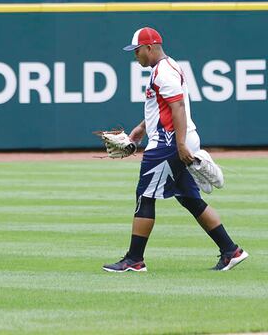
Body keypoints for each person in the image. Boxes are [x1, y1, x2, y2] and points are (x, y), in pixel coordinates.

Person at [103, 27, 248, 272]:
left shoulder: (163, 72)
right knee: (190, 198)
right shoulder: (166, 68)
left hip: (168, 143)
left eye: (137, 51)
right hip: (171, 139)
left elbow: (178, 106)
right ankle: (230, 250)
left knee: (146, 196)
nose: (135, 55)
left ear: (150, 48)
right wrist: (141, 128)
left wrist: (180, 144)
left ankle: (134, 259)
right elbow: (164, 107)